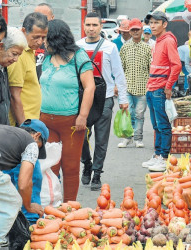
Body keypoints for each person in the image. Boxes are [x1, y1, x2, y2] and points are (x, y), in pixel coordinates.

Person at [40, 19, 95, 201]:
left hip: (72, 122)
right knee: (51, 166)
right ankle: (53, 205)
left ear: (55, 37)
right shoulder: (47, 58)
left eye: (46, 37)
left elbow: (90, 87)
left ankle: (69, 207)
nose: (43, 41)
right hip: (46, 122)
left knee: (70, 167)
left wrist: (83, 116)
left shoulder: (79, 56)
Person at [76, 12, 128, 190]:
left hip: (104, 99)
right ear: (84, 26)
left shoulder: (110, 47)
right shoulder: (77, 47)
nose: (91, 28)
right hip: (83, 100)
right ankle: (87, 164)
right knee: (81, 136)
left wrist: (123, 99)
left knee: (101, 139)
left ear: (100, 27)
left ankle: (97, 172)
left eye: (95, 25)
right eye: (88, 25)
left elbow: (119, 74)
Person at [0, 119, 48, 249]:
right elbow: (24, 183)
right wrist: (28, 206)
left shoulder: (3, 131)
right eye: (40, 146)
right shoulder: (31, 144)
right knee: (11, 203)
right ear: (37, 136)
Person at [142, 11, 181, 172]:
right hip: (152, 88)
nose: (152, 26)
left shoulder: (168, 41)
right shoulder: (158, 41)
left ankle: (164, 158)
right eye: (151, 23)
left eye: (156, 22)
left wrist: (169, 86)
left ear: (164, 24)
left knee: (163, 126)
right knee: (157, 126)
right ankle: (157, 155)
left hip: (160, 89)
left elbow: (176, 65)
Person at [8, 12, 48, 126]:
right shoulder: (18, 55)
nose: (40, 42)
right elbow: (14, 96)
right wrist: (24, 128)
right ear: (24, 31)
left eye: (43, 37)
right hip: (23, 123)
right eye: (35, 37)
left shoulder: (30, 50)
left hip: (32, 120)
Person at [118, 18, 151, 148]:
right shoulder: (125, 48)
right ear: (130, 32)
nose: (136, 32)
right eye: (133, 30)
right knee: (128, 113)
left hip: (143, 88)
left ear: (142, 31)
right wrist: (118, 85)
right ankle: (127, 137)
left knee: (139, 114)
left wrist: (150, 85)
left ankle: (138, 138)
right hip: (128, 87)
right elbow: (121, 68)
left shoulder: (147, 48)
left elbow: (150, 68)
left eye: (138, 29)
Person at [0, 27, 27, 125]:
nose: (16, 59)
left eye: (19, 55)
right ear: (1, 47)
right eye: (14, 54)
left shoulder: (4, 68)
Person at [34, 3, 54, 80]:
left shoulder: (58, 41)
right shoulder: (26, 40)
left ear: (52, 18)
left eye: (44, 17)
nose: (40, 20)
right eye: (37, 17)